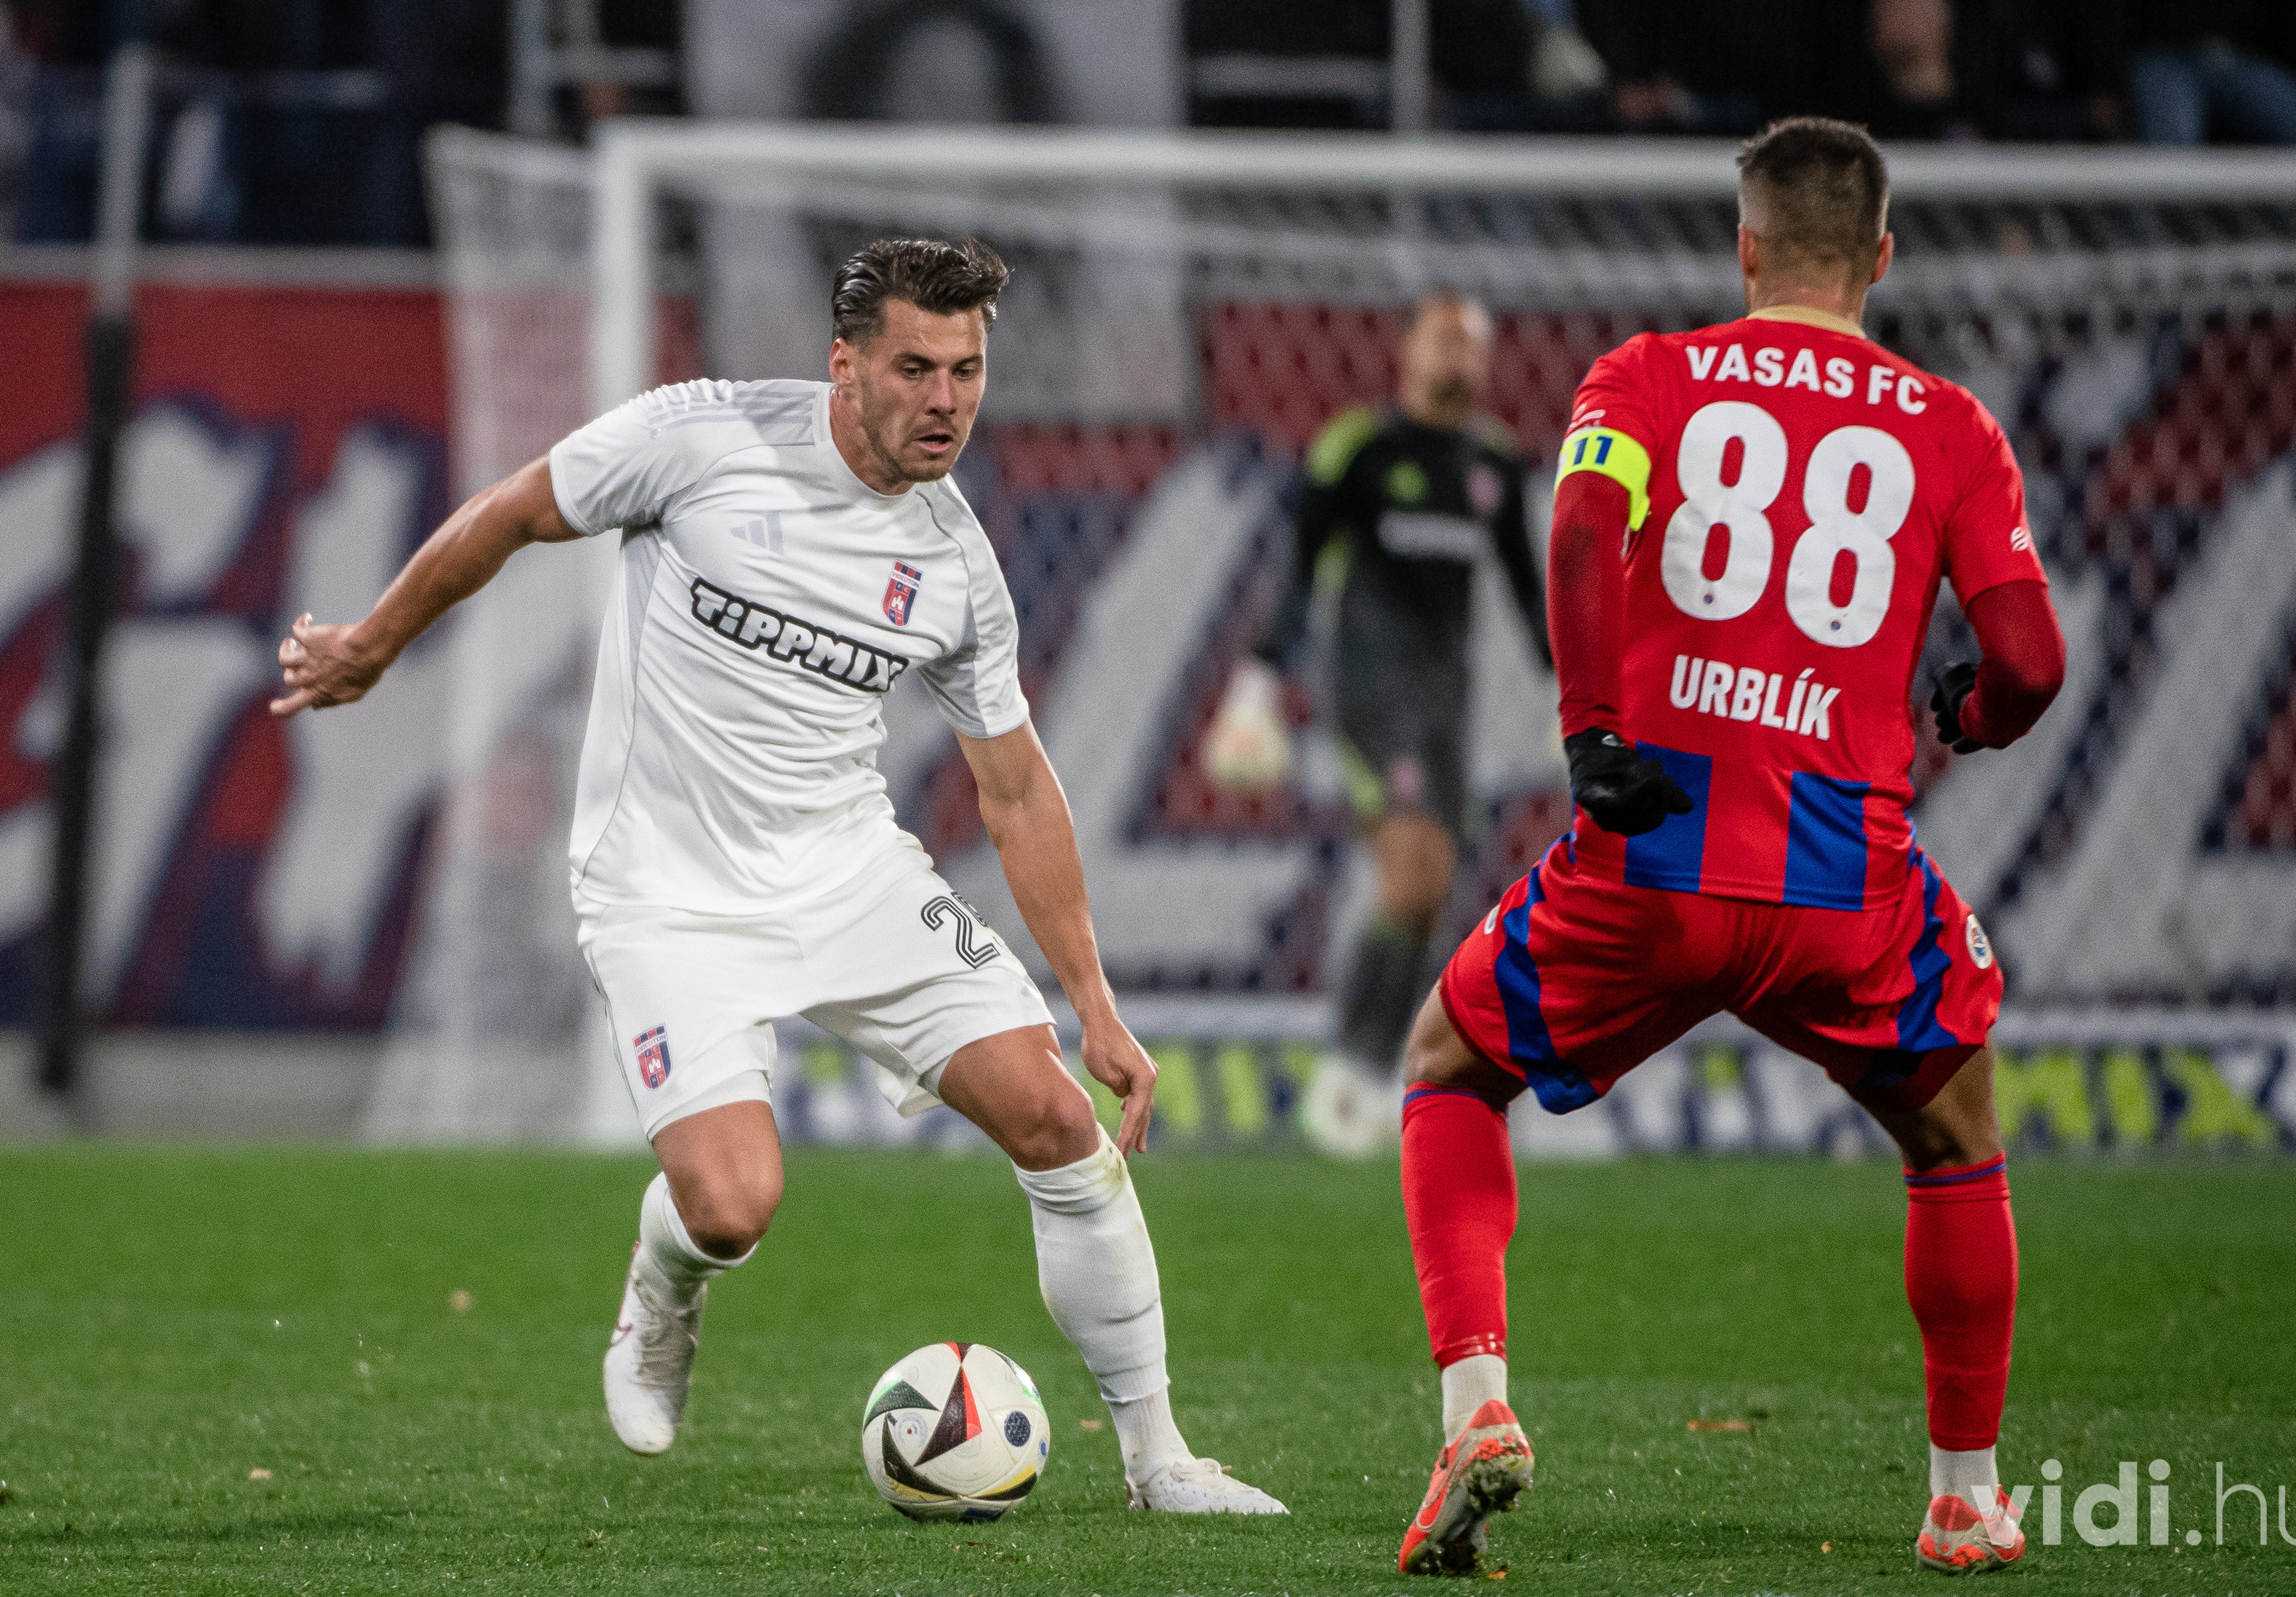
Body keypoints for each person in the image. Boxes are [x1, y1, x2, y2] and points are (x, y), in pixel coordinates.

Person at [269, 238, 1284, 1516]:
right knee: (734, 1204)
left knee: (1056, 1120)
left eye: (968, 371)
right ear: (844, 364)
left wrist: (1094, 1002)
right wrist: (373, 645)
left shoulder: (956, 564)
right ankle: (664, 1284)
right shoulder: (701, 440)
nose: (946, 401)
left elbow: (1017, 788)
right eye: (915, 368)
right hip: (666, 891)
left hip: (847, 873)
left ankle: (1161, 1462)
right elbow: (518, 511)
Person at [1390, 118, 2067, 1576]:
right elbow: (2032, 658)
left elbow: (1581, 529)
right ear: (1882, 257)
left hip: (1652, 850)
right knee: (1956, 1141)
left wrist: (1591, 735)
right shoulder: (1951, 425)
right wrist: (1973, 711)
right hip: (1846, 883)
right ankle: (1965, 1495)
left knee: (1449, 1065)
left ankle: (1478, 1408)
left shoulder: (1646, 376)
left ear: (1746, 247)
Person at [1205, 292, 1549, 1153]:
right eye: (1442, 340)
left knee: (1431, 893)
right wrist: (1256, 688)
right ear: (1406, 350)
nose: (1456, 358)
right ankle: (1352, 1070)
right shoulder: (1359, 450)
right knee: (1412, 874)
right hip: (1369, 694)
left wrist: (1570, 691)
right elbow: (1297, 572)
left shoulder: (1493, 464)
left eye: (1471, 344)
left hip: (1446, 706)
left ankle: (1365, 1070)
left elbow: (1526, 590)